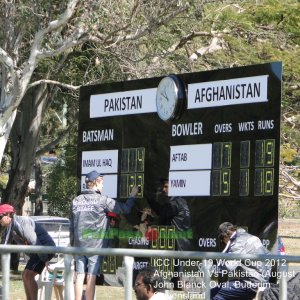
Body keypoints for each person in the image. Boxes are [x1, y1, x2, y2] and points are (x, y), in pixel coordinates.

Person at [70, 170, 139, 300]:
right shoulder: (102, 200)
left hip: (78, 245)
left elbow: (71, 225)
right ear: (96, 183)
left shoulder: (76, 201)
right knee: (91, 276)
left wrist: (72, 244)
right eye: (102, 183)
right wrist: (132, 195)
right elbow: (125, 209)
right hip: (95, 245)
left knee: (79, 275)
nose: (103, 186)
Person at [0, 203, 56, 300]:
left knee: (29, 275)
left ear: (8, 215)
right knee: (25, 275)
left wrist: (45, 259)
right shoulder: (12, 226)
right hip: (37, 251)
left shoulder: (22, 223)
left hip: (44, 249)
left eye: (0, 216)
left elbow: (34, 241)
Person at [210, 222, 271, 300]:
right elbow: (269, 258)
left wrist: (215, 266)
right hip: (263, 283)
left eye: (222, 240)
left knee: (212, 294)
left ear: (225, 236)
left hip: (251, 285)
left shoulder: (237, 242)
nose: (223, 243)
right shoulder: (250, 237)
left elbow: (229, 267)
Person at [146, 178, 191, 251]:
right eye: (163, 187)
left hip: (177, 248)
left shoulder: (176, 203)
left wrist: (149, 198)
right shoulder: (181, 202)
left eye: (166, 187)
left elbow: (162, 211)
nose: (163, 189)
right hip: (181, 247)